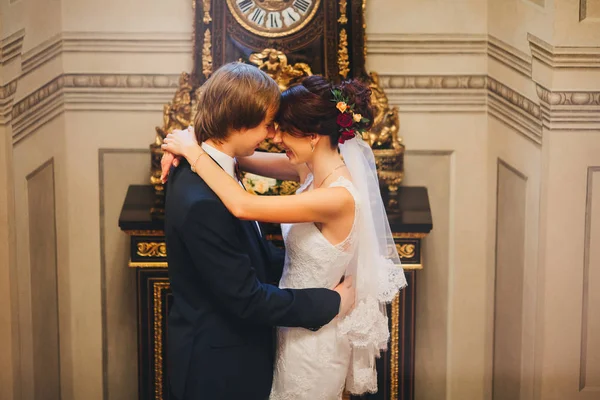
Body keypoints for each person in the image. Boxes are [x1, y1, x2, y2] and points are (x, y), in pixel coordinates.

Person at [162, 71, 407, 399]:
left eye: (281, 129)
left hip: (311, 338)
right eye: (268, 125)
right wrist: (190, 142)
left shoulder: (337, 195)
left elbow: (242, 204)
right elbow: (238, 159)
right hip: (269, 334)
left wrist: (193, 151)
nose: (273, 137)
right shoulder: (308, 169)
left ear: (312, 137)